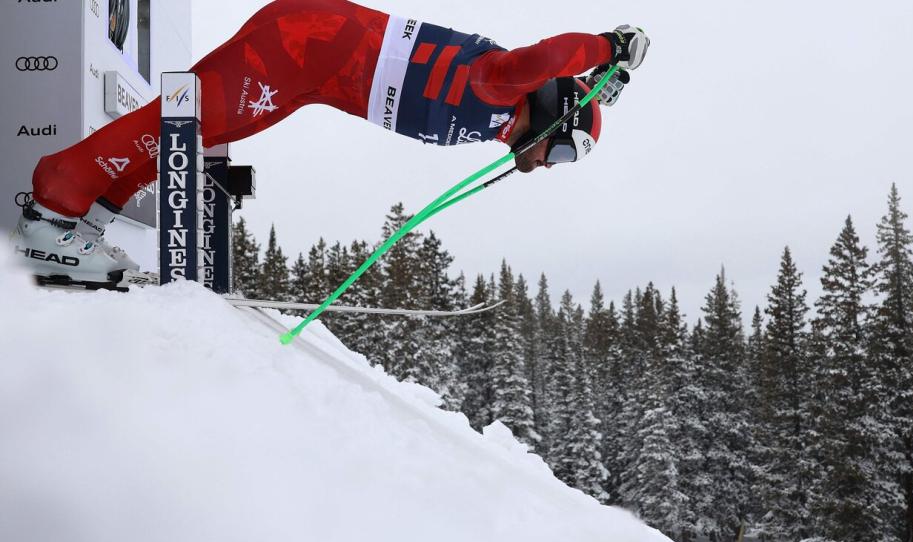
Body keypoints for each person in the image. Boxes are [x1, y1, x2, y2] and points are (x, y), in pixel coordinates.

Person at [13, 0, 648, 286]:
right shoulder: (498, 85)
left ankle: (88, 220)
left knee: (191, 132)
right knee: (173, 119)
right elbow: (549, 57)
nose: (546, 166)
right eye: (560, 152)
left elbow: (561, 78)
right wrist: (607, 48)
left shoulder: (504, 119)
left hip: (306, 77)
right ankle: (54, 206)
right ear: (550, 114)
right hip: (305, 45)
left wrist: (597, 83)